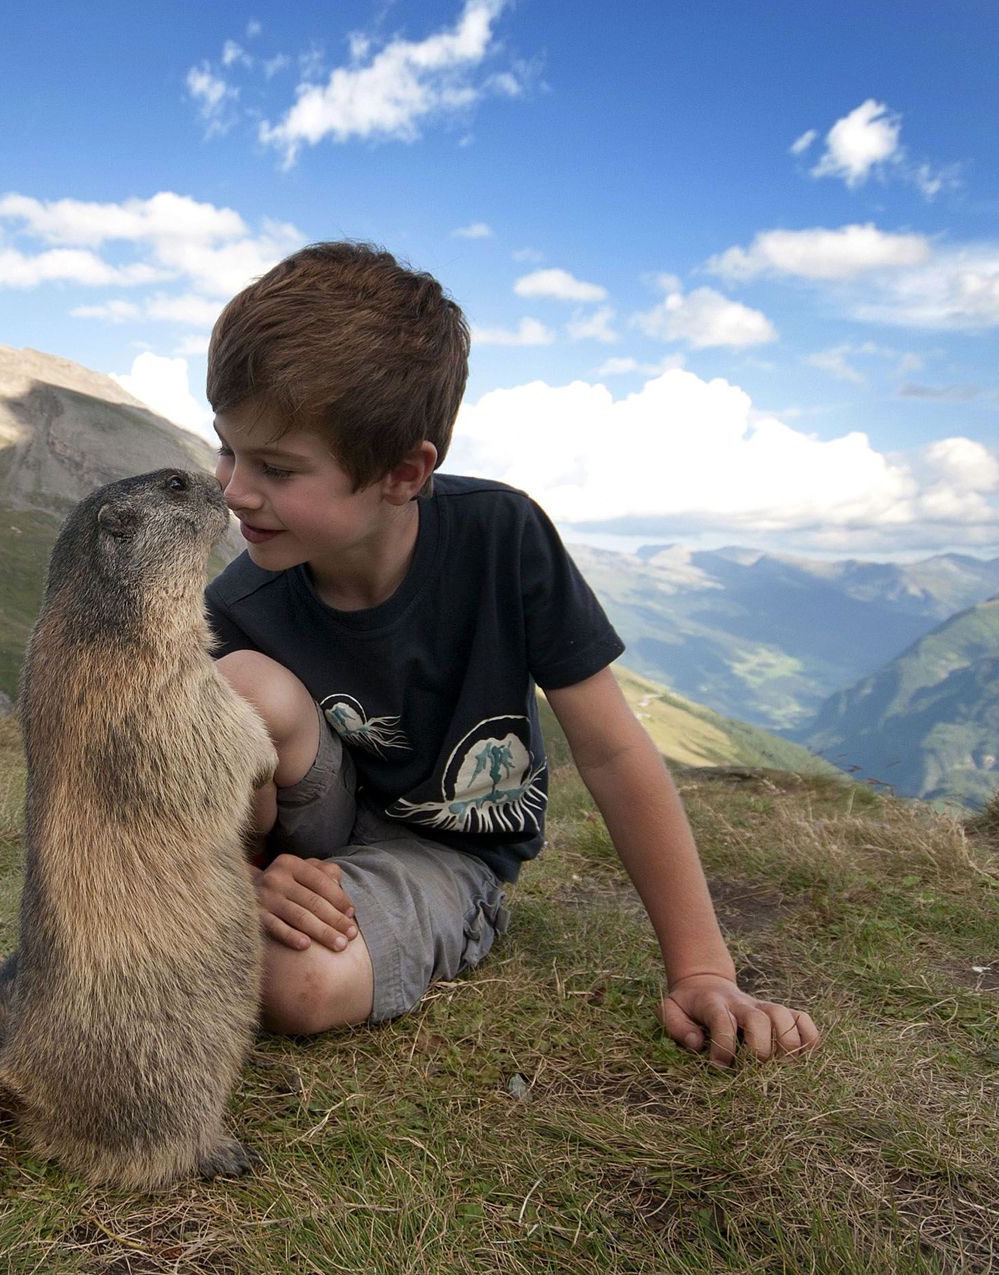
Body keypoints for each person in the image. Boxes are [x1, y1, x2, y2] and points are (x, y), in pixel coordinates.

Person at [204, 241, 821, 1066]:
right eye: (227, 449)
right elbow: (179, 782)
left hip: (447, 852)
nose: (235, 489)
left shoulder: (503, 538)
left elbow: (611, 750)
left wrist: (703, 969)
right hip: (295, 842)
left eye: (277, 467)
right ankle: (226, 900)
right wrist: (241, 880)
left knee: (296, 987)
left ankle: (418, 922)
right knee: (236, 688)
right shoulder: (239, 603)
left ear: (403, 472)